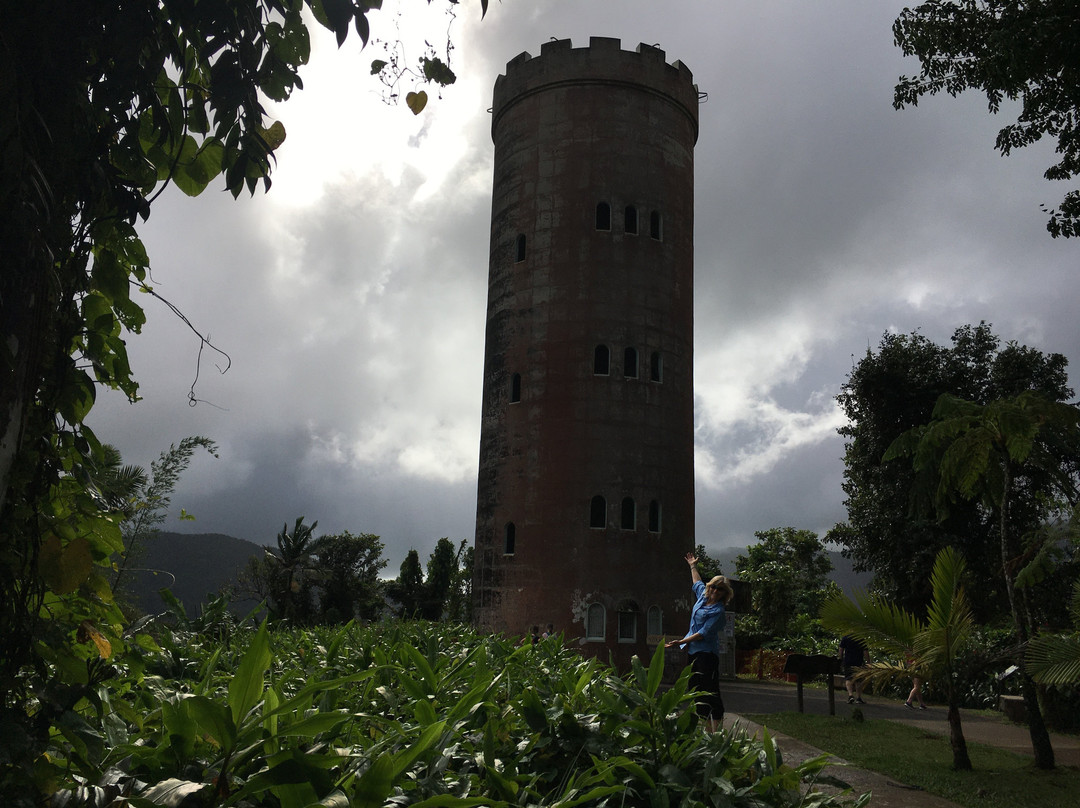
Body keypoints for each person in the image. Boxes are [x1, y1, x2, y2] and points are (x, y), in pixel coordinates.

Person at [665, 552, 734, 732]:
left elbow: (702, 634)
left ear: (724, 594)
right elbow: (697, 583)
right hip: (694, 652)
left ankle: (716, 726)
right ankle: (705, 727)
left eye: (720, 589)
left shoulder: (718, 612)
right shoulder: (702, 597)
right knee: (695, 688)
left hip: (707, 655)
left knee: (709, 689)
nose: (714, 591)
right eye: (713, 587)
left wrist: (681, 641)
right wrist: (692, 565)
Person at [838, 635, 868, 704]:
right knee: (858, 680)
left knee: (848, 678)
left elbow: (841, 649)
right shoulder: (860, 639)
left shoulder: (845, 638)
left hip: (848, 661)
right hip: (858, 662)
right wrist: (868, 662)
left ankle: (850, 695)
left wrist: (840, 659)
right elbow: (865, 651)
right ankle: (858, 697)